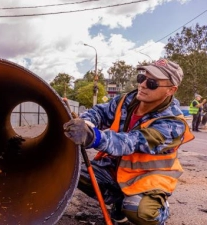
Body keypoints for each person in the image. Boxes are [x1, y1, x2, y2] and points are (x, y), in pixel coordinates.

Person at [63, 59, 194, 225]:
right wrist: (86, 122)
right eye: (142, 78)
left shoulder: (173, 123)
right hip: (118, 169)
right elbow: (100, 113)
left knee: (140, 211)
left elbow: (132, 142)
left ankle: (158, 208)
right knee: (73, 173)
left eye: (152, 83)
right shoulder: (127, 100)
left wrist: (94, 137)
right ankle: (119, 203)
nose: (143, 85)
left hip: (148, 178)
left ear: (171, 90)